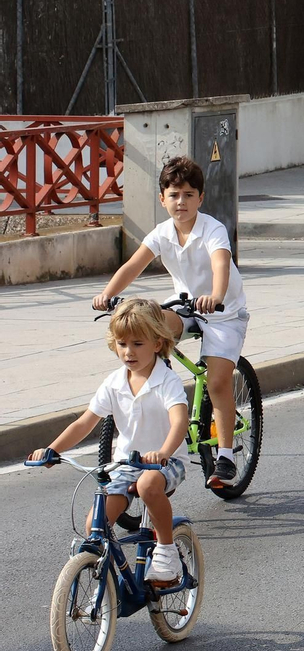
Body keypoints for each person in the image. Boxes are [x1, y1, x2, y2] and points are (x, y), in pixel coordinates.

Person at [92, 156, 246, 489]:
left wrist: (216, 295)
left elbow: (221, 264)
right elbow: (133, 265)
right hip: (187, 308)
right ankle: (162, 388)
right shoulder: (162, 233)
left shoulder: (212, 230)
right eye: (174, 195)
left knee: (218, 382)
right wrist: (107, 294)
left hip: (224, 314)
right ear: (162, 199)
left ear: (200, 198)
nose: (181, 202)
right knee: (149, 325)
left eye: (189, 195)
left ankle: (226, 456)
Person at [30, 299, 190, 582]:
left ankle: (166, 551)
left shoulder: (166, 381)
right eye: (122, 343)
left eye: (138, 344)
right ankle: (111, 579)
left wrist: (164, 451)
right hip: (125, 463)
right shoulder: (114, 382)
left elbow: (179, 421)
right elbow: (84, 422)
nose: (128, 352)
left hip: (166, 462)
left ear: (157, 343)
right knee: (95, 523)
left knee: (148, 485)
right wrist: (53, 449)